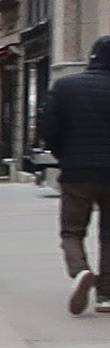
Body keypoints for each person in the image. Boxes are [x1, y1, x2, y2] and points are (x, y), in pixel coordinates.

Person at [47, 34, 110, 312]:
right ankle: (106, 296)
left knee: (72, 231)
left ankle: (81, 270)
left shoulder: (65, 86)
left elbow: (48, 129)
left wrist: (63, 155)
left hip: (77, 171)